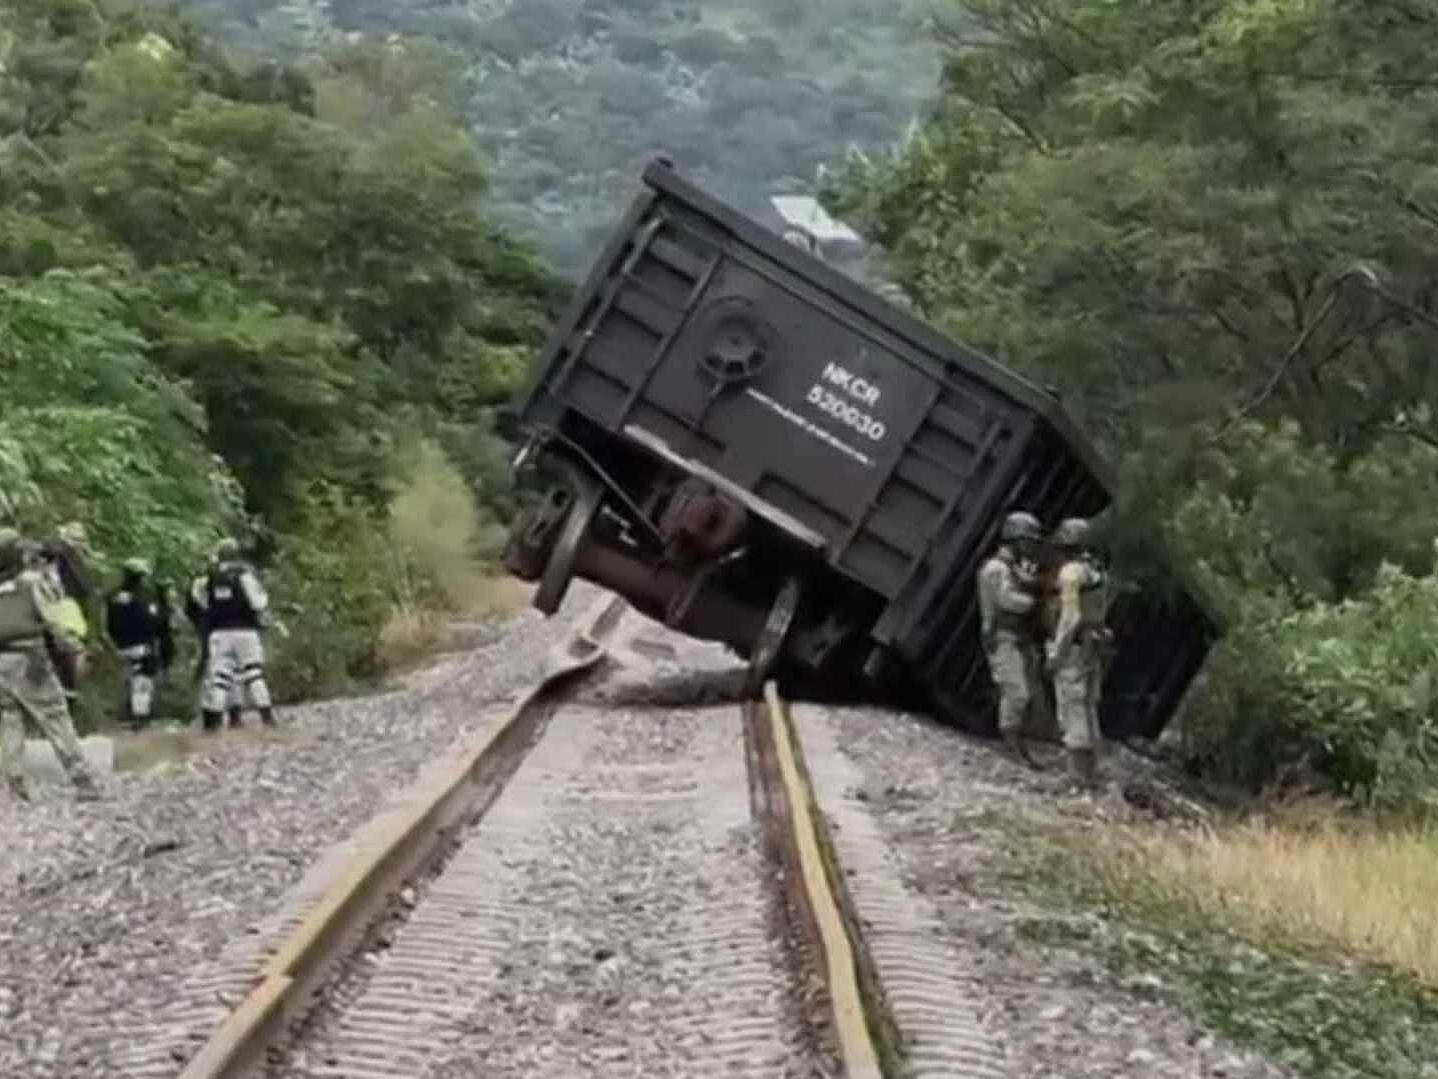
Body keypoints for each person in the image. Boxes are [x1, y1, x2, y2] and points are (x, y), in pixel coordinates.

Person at [0, 529, 102, 802]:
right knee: (55, 717)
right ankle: (83, 781)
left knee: (9, 721)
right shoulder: (32, 584)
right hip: (30, 659)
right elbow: (55, 621)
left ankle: (15, 784)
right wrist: (76, 647)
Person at [1045, 517, 1113, 790]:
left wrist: (1056, 654)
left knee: (1071, 709)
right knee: (1087, 708)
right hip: (1092, 646)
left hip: (1073, 648)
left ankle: (1077, 778)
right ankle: (1095, 772)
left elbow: (1070, 617)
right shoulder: (1097, 570)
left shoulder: (1071, 573)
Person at [977, 510, 1047, 768]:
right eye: (1027, 541)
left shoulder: (1013, 568)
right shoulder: (996, 569)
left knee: (1025, 694)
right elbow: (1006, 600)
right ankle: (1010, 744)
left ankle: (1017, 742)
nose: (1030, 547)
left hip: (1017, 638)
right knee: (1017, 693)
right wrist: (1034, 601)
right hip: (1002, 637)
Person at [190, 538, 276, 732]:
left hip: (219, 633)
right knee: (254, 674)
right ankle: (267, 717)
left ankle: (214, 722)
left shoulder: (207, 579)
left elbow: (200, 602)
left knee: (220, 678)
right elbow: (258, 602)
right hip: (246, 631)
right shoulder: (244, 575)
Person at [104, 558, 174, 730]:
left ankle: (123, 714)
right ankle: (139, 717)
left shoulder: (113, 595)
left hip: (118, 645)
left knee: (127, 679)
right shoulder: (145, 596)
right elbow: (156, 621)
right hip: (142, 645)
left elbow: (107, 621)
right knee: (143, 680)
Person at [38, 520, 95, 719]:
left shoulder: (77, 562)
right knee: (62, 665)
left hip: (68, 616)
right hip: (59, 616)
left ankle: (64, 712)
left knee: (66, 668)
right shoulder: (62, 557)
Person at [184, 555, 244, 728]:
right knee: (230, 672)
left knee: (214, 672)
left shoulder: (201, 585)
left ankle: (215, 716)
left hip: (211, 631)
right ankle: (232, 714)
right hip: (221, 630)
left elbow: (194, 609)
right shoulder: (231, 580)